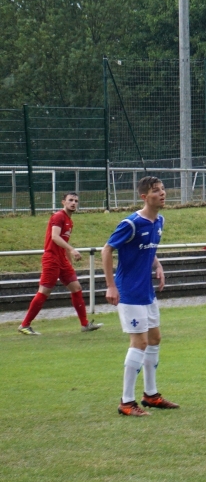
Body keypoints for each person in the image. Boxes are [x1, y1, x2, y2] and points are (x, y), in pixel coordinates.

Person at [102, 176, 177, 417]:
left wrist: (158, 265)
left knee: (154, 339)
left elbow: (148, 250)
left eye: (163, 189)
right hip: (129, 292)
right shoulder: (131, 223)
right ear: (144, 197)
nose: (162, 193)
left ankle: (151, 395)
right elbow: (107, 250)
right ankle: (126, 402)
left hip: (146, 291)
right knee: (140, 343)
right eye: (156, 191)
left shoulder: (159, 221)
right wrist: (111, 286)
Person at [18, 192, 103, 336]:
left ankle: (85, 324)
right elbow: (55, 237)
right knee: (44, 291)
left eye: (76, 201)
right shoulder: (58, 217)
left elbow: (63, 243)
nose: (73, 203)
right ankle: (24, 325)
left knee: (76, 288)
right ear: (63, 202)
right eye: (70, 200)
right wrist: (72, 250)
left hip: (61, 259)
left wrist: (68, 262)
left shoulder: (70, 221)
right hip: (51, 259)